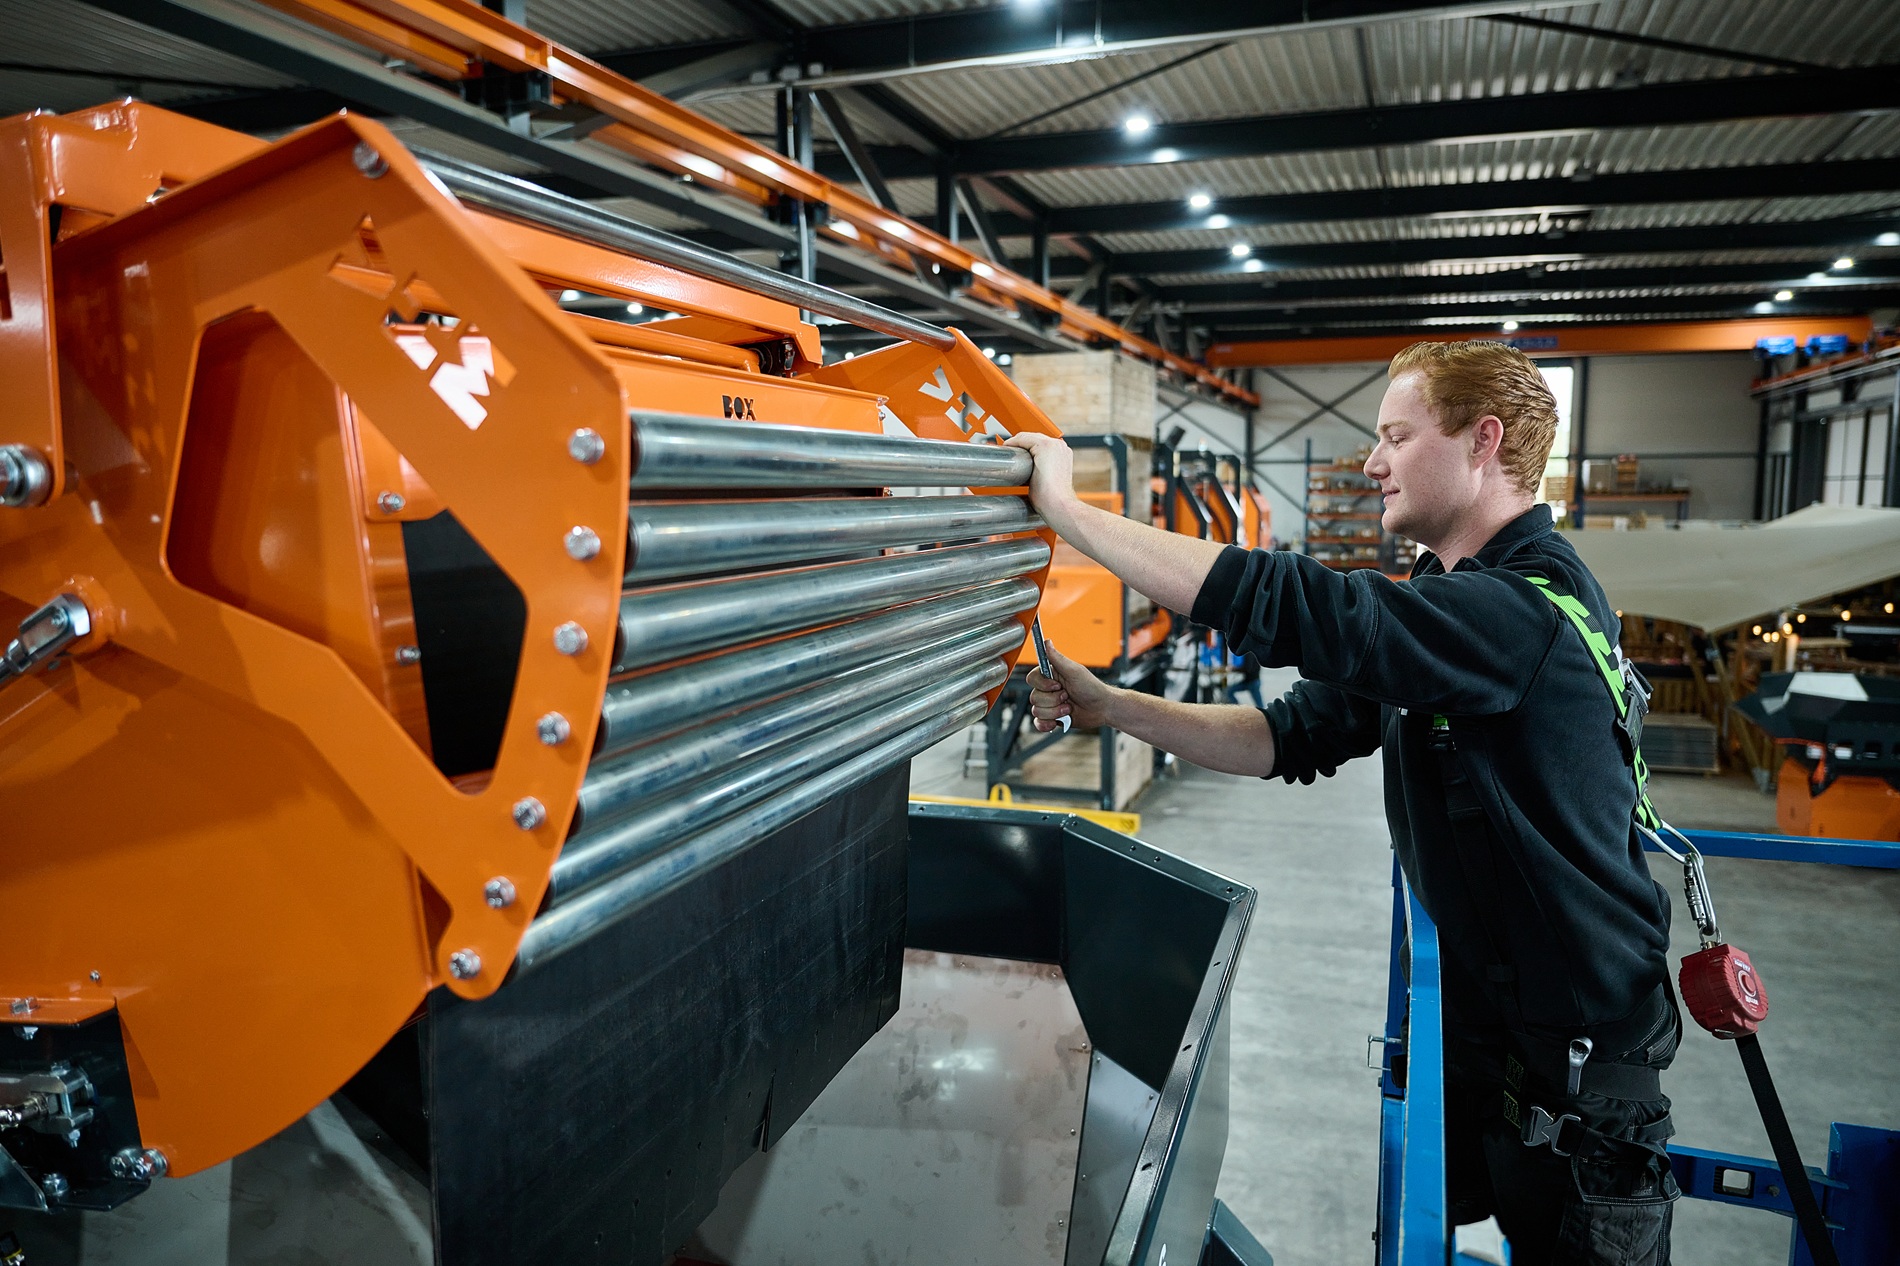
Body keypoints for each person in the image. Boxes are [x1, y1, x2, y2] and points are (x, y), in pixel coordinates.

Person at [1006, 341, 1681, 1266]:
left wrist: (1069, 512)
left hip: (1579, 1089)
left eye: (1396, 437)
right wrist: (1112, 706)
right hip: (1496, 1051)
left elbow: (1310, 609)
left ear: (1482, 443)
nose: (1371, 463)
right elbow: (1288, 737)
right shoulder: (1452, 602)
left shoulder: (1523, 614)